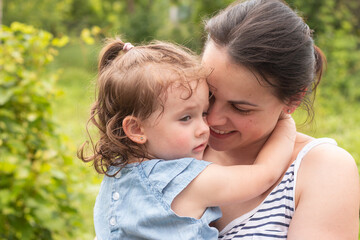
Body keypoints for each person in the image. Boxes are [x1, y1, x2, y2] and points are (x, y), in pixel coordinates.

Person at [78, 39, 296, 240]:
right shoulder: (186, 181)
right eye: (185, 118)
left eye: (203, 112)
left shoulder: (116, 178)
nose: (204, 127)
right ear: (136, 129)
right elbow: (263, 175)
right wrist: (285, 124)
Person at [201, 0, 360, 239]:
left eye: (240, 108)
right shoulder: (164, 145)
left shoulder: (321, 170)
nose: (211, 118)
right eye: (208, 93)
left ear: (293, 100)